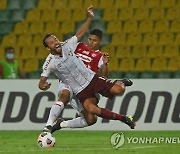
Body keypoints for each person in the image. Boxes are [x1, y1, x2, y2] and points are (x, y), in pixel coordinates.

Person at [38, 6, 135, 133]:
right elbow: (42, 79)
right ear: (48, 48)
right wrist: (43, 85)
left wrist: (89, 17)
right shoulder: (64, 54)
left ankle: (118, 82)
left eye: (55, 39)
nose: (56, 42)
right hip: (75, 87)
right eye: (51, 42)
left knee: (119, 91)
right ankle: (49, 126)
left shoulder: (71, 46)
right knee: (85, 111)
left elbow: (79, 33)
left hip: (91, 78)